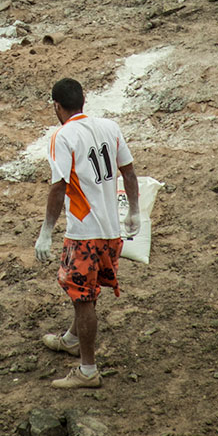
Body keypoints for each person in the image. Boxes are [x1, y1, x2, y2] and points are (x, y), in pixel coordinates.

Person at [34, 76, 138, 389]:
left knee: (83, 298)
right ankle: (71, 338)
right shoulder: (110, 127)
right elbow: (129, 172)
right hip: (111, 230)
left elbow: (59, 186)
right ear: (83, 100)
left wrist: (46, 232)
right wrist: (134, 212)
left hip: (84, 232)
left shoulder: (63, 136)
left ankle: (88, 370)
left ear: (57, 106)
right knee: (88, 291)